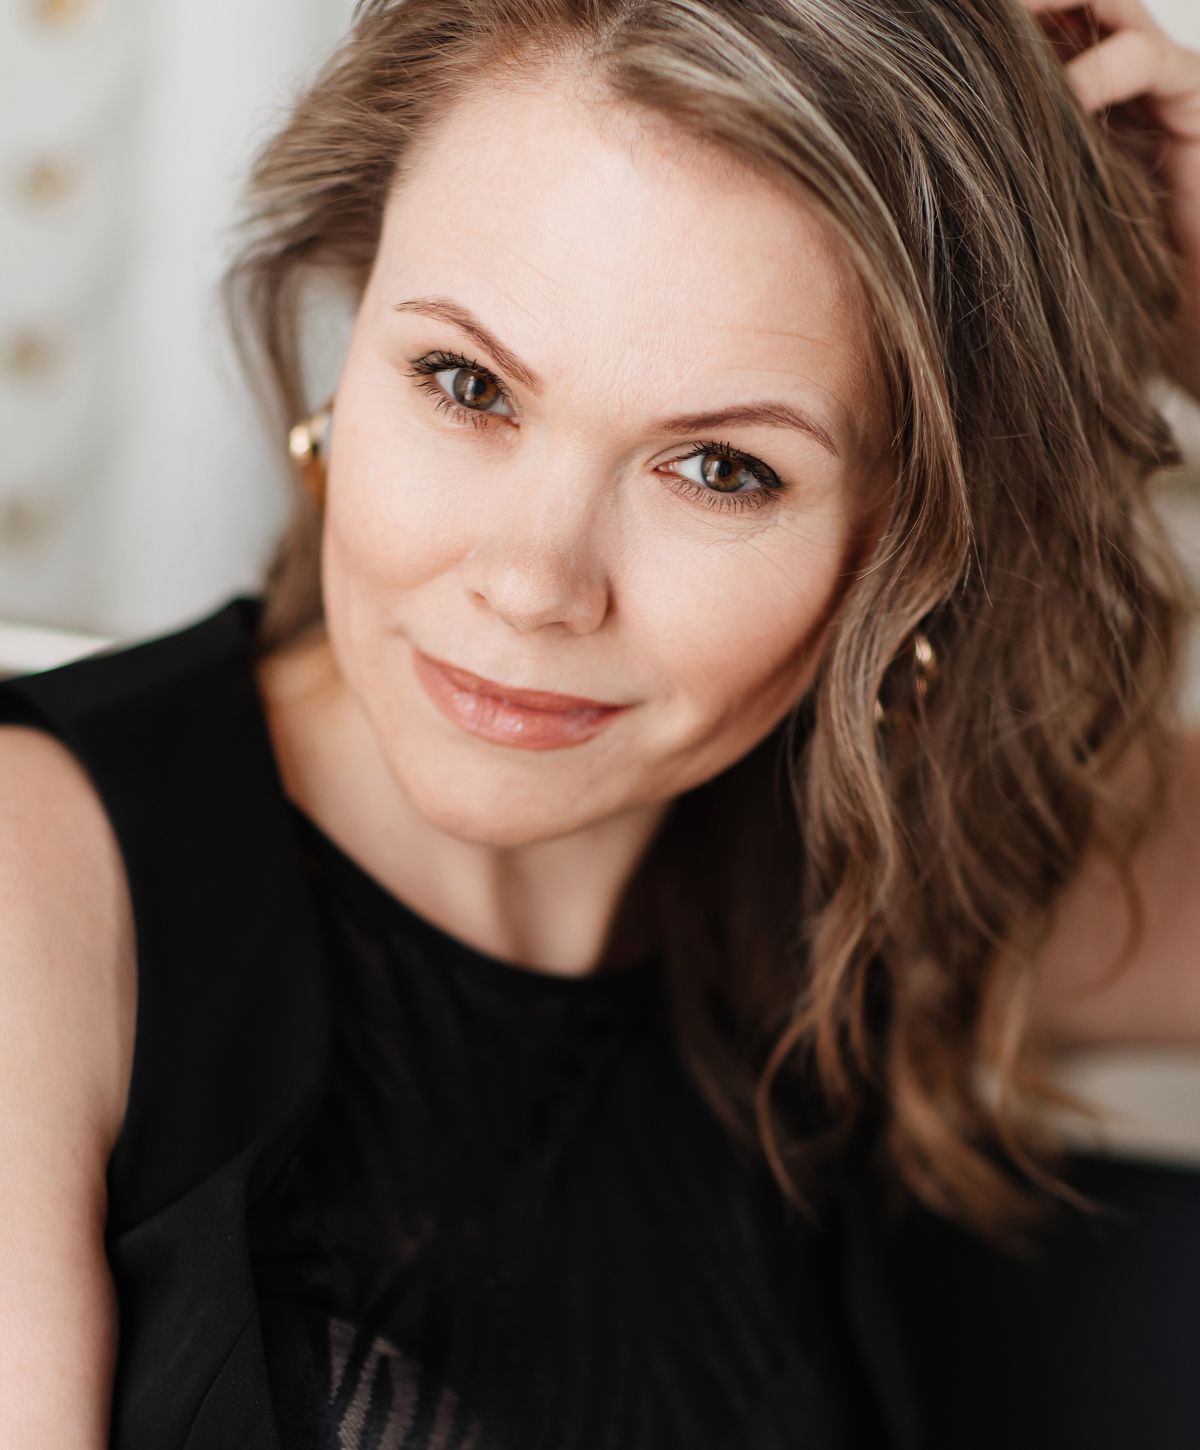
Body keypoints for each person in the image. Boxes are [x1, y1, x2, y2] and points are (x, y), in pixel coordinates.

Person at [2, 1, 1199, 1446]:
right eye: (465, 383)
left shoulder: (901, 862)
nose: (532, 583)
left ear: (911, 544)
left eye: (719, 467)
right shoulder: (39, 886)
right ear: (348, 337)